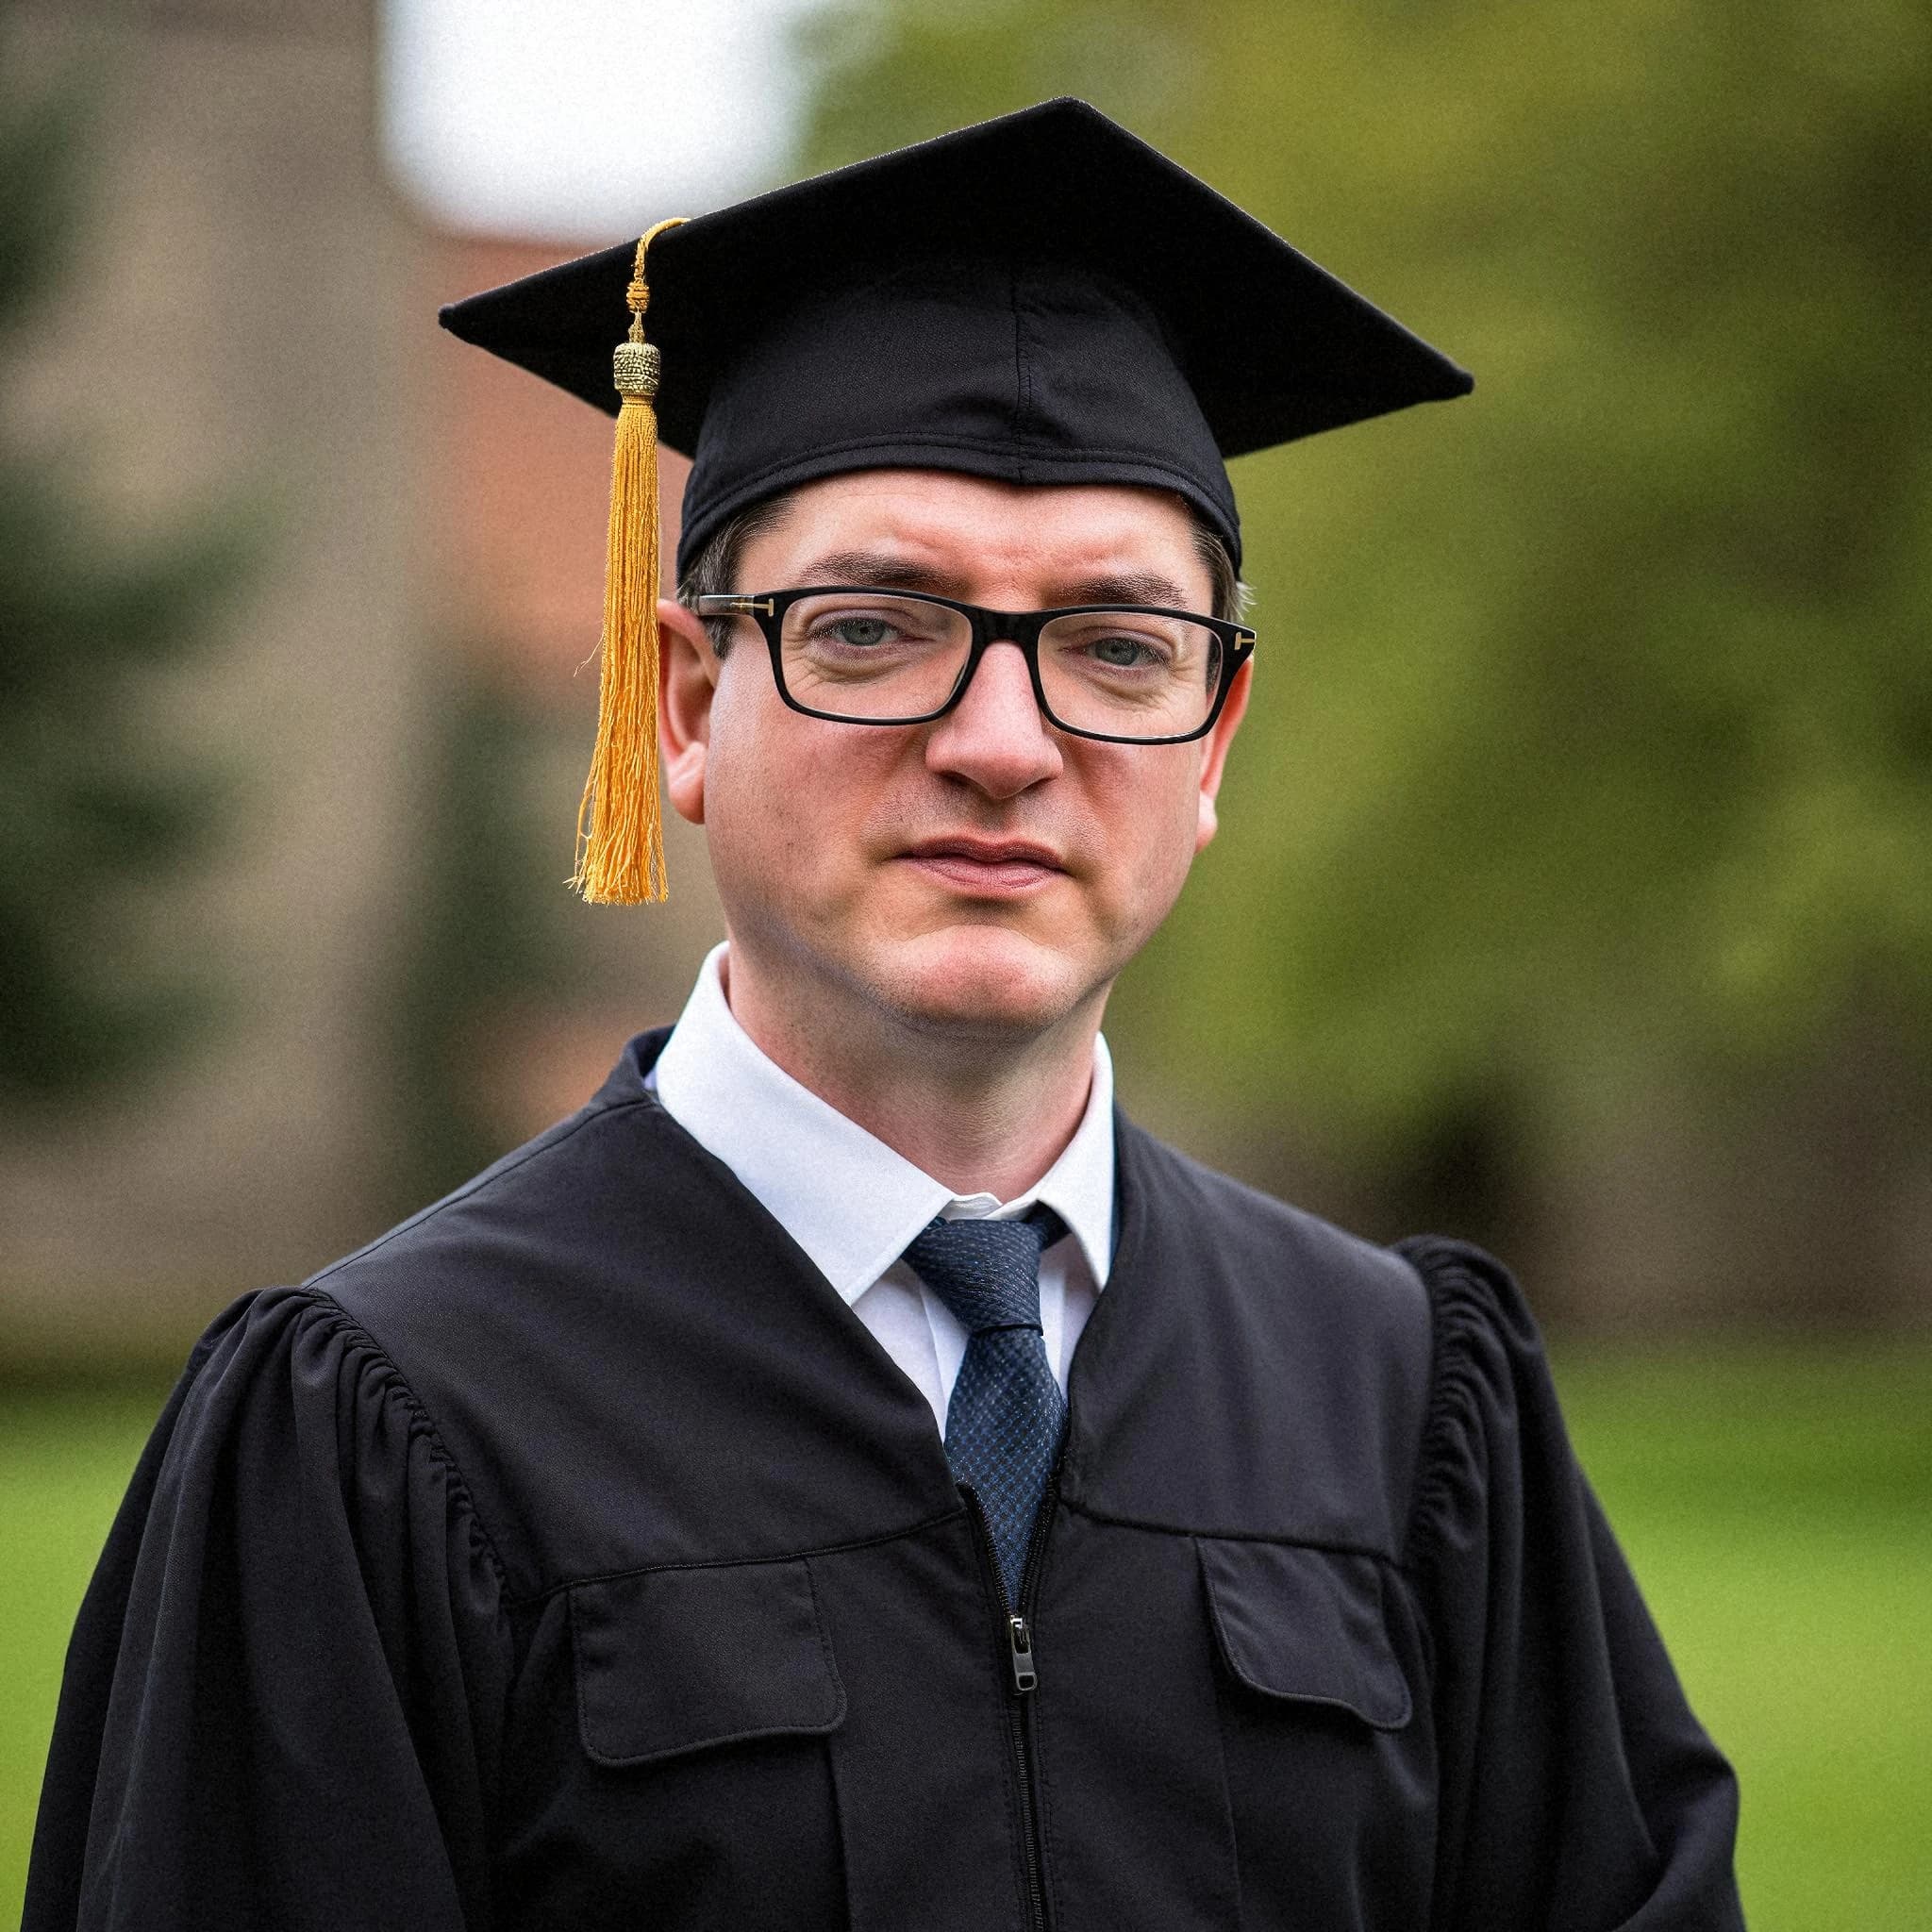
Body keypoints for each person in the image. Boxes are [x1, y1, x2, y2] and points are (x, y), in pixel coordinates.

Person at [25, 99, 1744, 1931]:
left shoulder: (1406, 1403)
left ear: (1215, 742)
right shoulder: (379, 1431)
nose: (1004, 744)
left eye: (1117, 646)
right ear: (685, 703)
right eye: (871, 626)